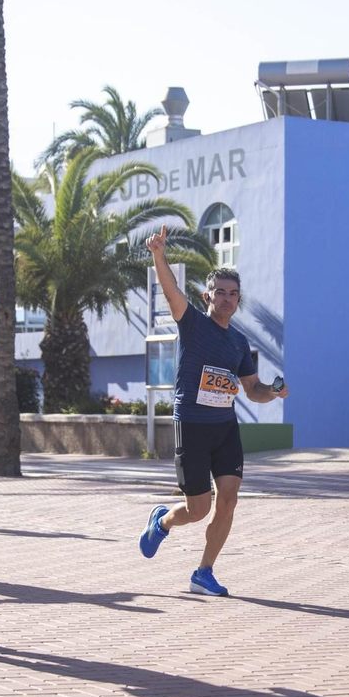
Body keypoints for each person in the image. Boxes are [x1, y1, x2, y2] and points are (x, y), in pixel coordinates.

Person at [137, 227, 288, 595]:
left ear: (239, 301)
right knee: (199, 509)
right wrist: (159, 254)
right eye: (220, 292)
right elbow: (172, 290)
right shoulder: (192, 323)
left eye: (233, 294)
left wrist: (275, 391)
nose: (226, 298)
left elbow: (253, 390)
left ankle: (203, 572)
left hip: (224, 428)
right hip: (191, 425)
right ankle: (163, 522)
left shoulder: (238, 342)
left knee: (230, 499)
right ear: (208, 296)